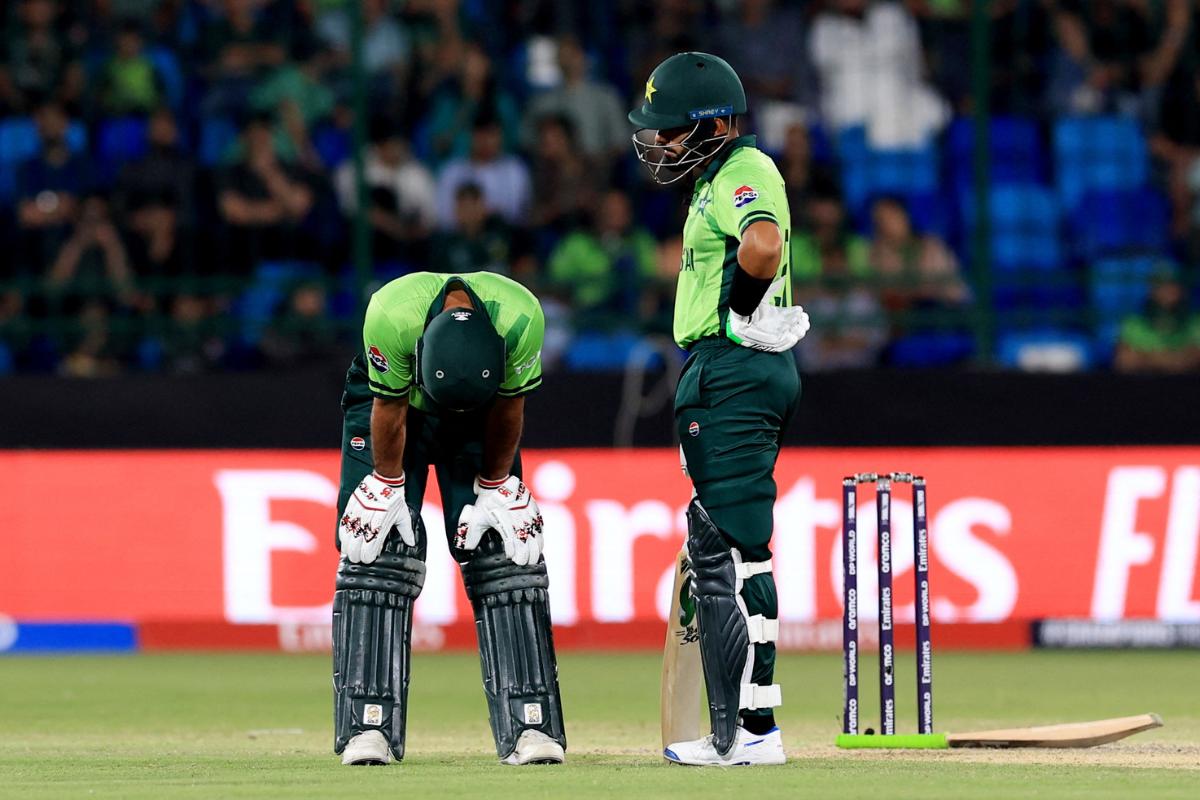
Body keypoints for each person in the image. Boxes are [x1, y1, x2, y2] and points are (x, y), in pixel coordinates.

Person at [629, 51, 809, 767]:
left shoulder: (744, 170)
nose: (658, 144)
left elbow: (763, 243)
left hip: (733, 372)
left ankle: (746, 734)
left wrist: (737, 316)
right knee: (733, 542)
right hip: (728, 371)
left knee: (724, 550)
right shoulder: (716, 180)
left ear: (711, 127)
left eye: (669, 131)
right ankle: (753, 723)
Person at [333, 271, 566, 767]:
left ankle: (531, 725)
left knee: (505, 550)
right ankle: (366, 727)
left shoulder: (521, 317)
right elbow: (389, 405)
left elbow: (509, 405)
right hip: (399, 410)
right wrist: (388, 484)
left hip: (479, 420)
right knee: (376, 550)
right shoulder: (392, 315)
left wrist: (498, 483)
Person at [1114, 268, 1200, 373]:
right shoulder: (1133, 324)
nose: (1168, 292)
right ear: (1151, 291)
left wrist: (1147, 357)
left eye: (1173, 286)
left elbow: (1196, 357)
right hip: (1144, 386)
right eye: (1161, 286)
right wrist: (1177, 357)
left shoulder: (1195, 322)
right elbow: (1126, 362)